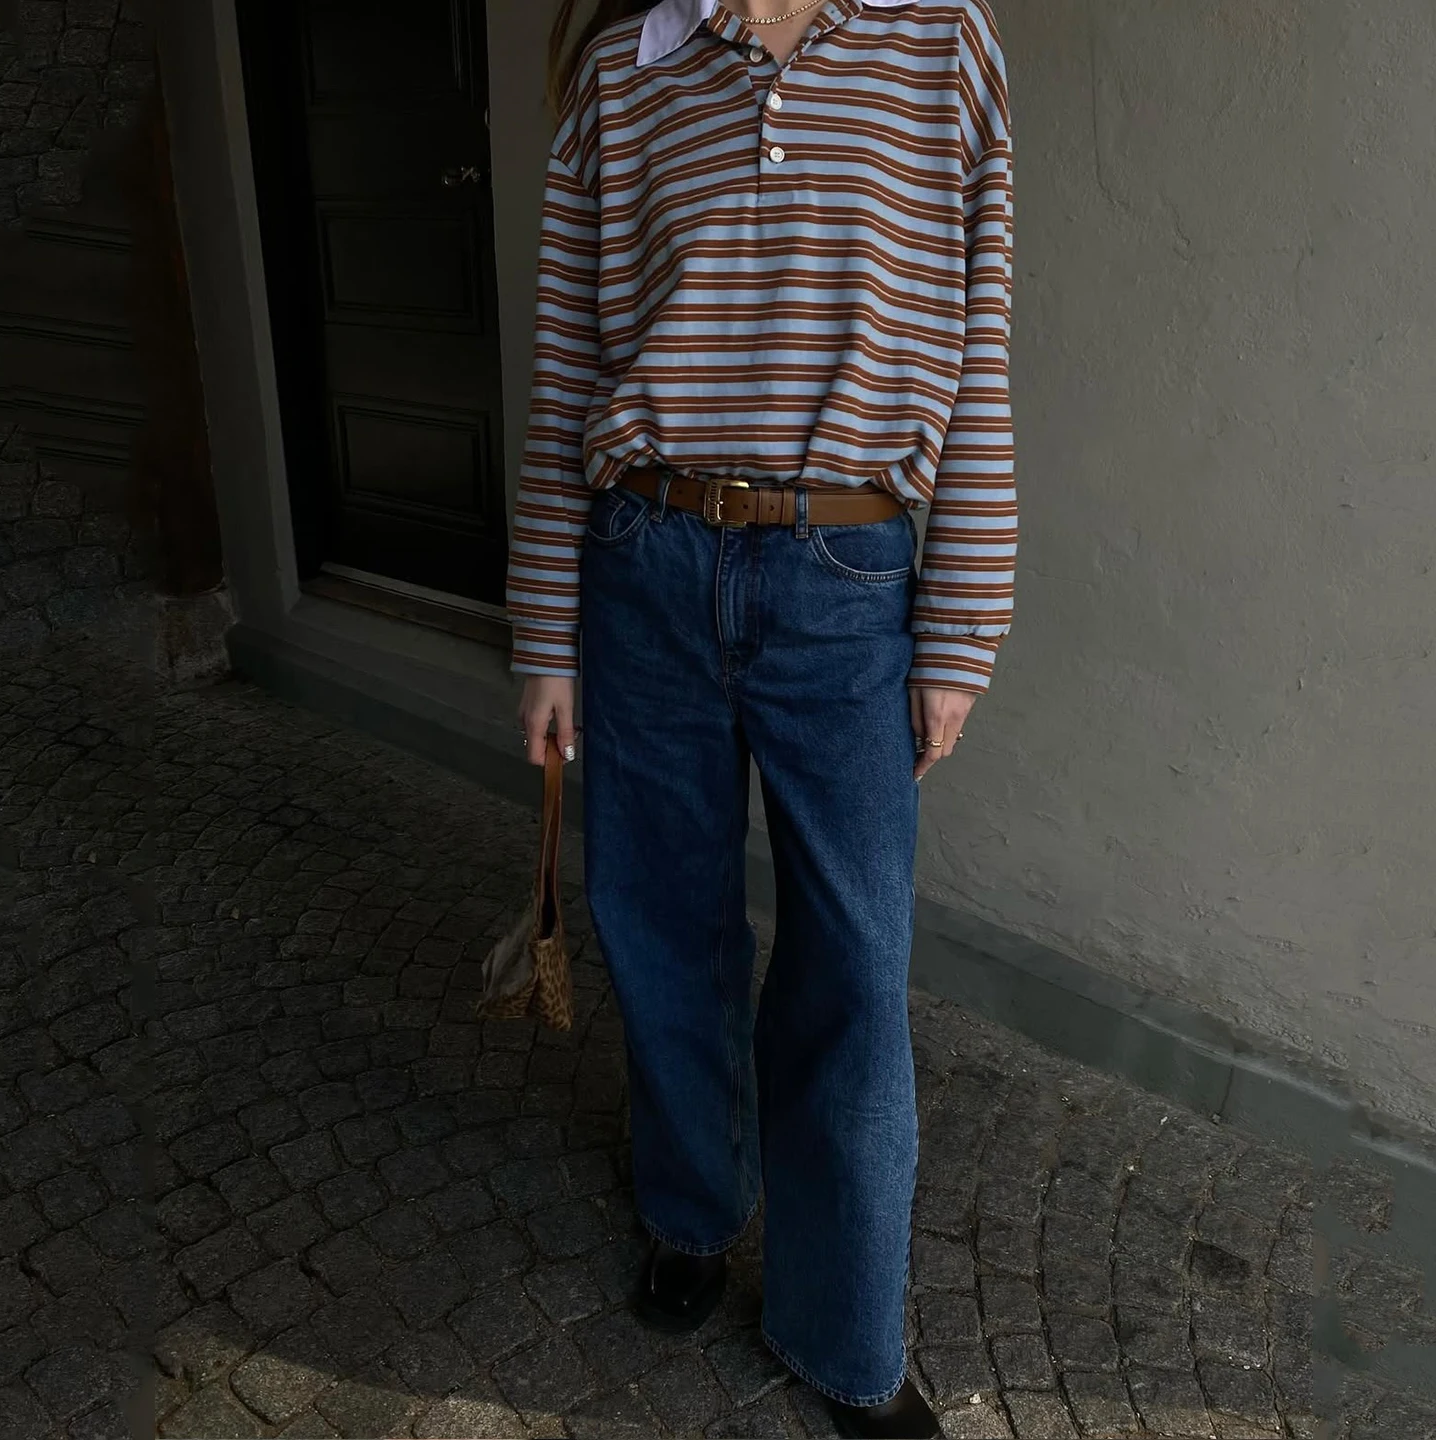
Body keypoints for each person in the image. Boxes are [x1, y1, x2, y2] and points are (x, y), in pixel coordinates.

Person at [510, 1, 1016, 1434]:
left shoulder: (940, 41)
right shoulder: (626, 65)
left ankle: (843, 1330)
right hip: (644, 560)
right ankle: (687, 1207)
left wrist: (962, 624)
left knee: (853, 966)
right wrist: (547, 633)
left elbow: (978, 350)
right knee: (658, 921)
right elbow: (564, 379)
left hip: (847, 581)